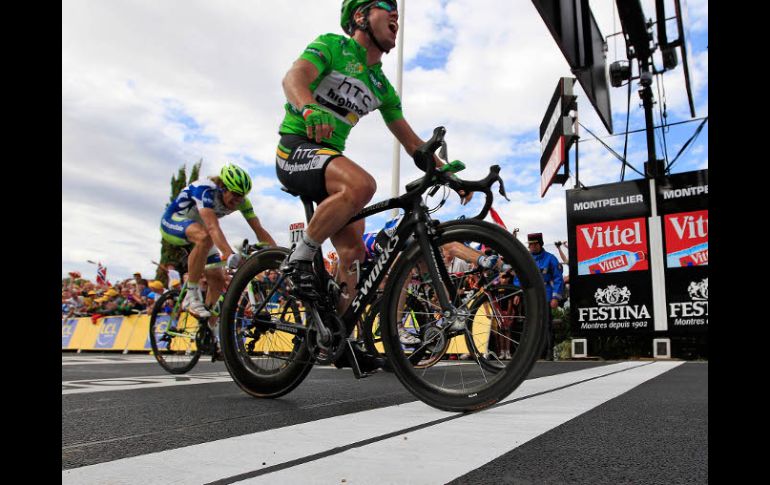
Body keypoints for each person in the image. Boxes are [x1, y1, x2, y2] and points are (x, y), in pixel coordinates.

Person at [275, 0, 471, 314]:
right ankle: (299, 259)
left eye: (397, 11)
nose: (396, 14)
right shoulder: (332, 46)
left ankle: (336, 335)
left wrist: (451, 177)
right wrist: (309, 107)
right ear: (360, 16)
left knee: (353, 252)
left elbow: (413, 144)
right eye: (385, 7)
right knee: (362, 185)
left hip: (329, 161)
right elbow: (293, 79)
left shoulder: (381, 86)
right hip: (295, 147)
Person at [160, 163, 276, 328]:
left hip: (201, 231)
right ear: (223, 187)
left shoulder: (242, 201)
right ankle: (191, 296)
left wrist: (280, 256)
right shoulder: (206, 190)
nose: (238, 201)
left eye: (242, 196)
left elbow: (259, 230)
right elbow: (213, 227)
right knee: (205, 237)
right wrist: (228, 253)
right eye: (235, 195)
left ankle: (209, 328)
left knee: (218, 279)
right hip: (173, 222)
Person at [519, 233, 564, 361]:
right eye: (530, 245)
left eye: (533, 244)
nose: (531, 247)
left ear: (540, 244)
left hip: (546, 295)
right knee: (532, 325)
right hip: (530, 297)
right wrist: (517, 294)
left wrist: (555, 297)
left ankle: (549, 352)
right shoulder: (526, 259)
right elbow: (519, 278)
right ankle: (537, 352)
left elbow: (558, 278)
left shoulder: (550, 258)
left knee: (547, 324)